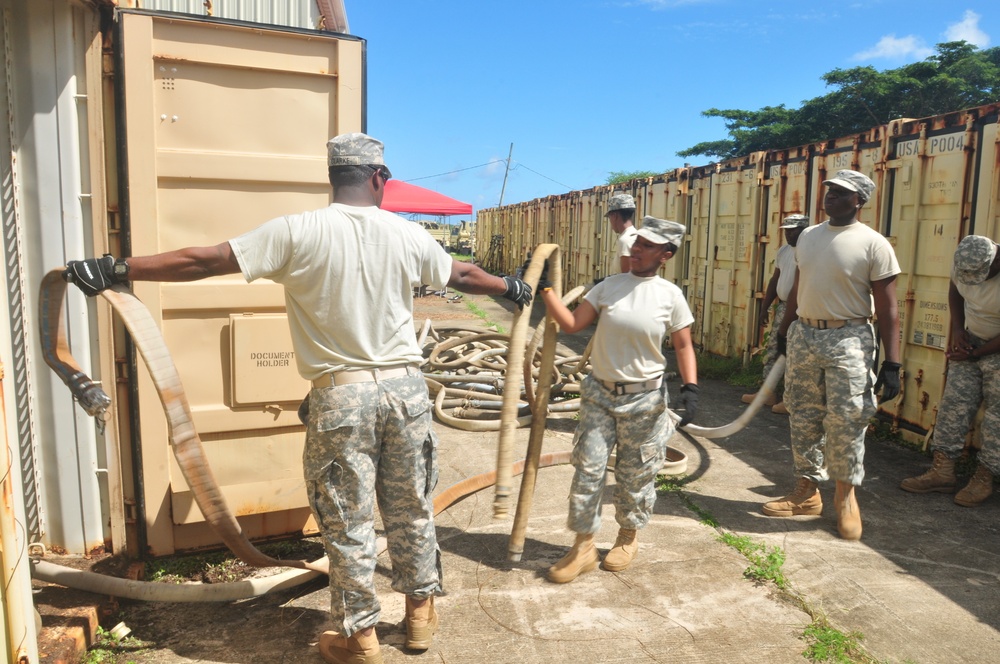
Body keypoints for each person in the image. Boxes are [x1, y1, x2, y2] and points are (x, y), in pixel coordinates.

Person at [61, 133, 533, 664]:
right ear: (379, 178)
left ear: (333, 177)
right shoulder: (407, 233)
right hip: (406, 392)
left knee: (347, 521)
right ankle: (420, 618)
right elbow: (464, 274)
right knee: (413, 509)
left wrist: (118, 268)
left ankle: (361, 639)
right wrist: (510, 287)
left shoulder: (295, 231)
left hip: (343, 396)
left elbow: (204, 260)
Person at [538, 216, 699, 583]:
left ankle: (627, 537)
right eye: (637, 241)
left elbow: (683, 345)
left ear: (666, 255)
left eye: (647, 245)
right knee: (588, 468)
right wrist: (546, 291)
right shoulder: (609, 287)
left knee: (635, 474)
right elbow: (573, 324)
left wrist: (691, 388)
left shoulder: (670, 296)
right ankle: (583, 547)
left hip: (645, 401)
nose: (636, 248)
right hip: (600, 394)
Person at [765, 170, 901, 541]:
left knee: (847, 418)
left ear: (859, 201)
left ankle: (845, 497)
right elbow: (799, 288)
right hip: (805, 334)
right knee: (803, 415)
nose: (831, 197)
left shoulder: (874, 244)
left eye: (842, 193)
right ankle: (807, 493)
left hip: (849, 337)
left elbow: (888, 308)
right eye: (830, 191)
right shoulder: (808, 237)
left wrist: (892, 363)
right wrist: (784, 332)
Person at [900, 235, 1000, 506]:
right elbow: (955, 289)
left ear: (995, 261)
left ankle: (984, 478)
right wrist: (957, 329)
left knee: (997, 418)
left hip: (993, 350)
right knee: (953, 405)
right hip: (971, 342)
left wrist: (975, 353)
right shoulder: (965, 262)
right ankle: (942, 473)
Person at [740, 214, 809, 415]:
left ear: (805, 230)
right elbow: (775, 279)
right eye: (787, 230)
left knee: (796, 354)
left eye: (794, 230)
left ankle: (792, 400)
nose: (789, 234)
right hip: (784, 307)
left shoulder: (809, 252)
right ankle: (767, 393)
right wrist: (765, 307)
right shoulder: (784, 251)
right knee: (774, 350)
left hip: (802, 309)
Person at [606, 193, 638, 273]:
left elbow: (626, 278)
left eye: (609, 217)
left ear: (614, 216)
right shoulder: (636, 235)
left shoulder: (625, 240)